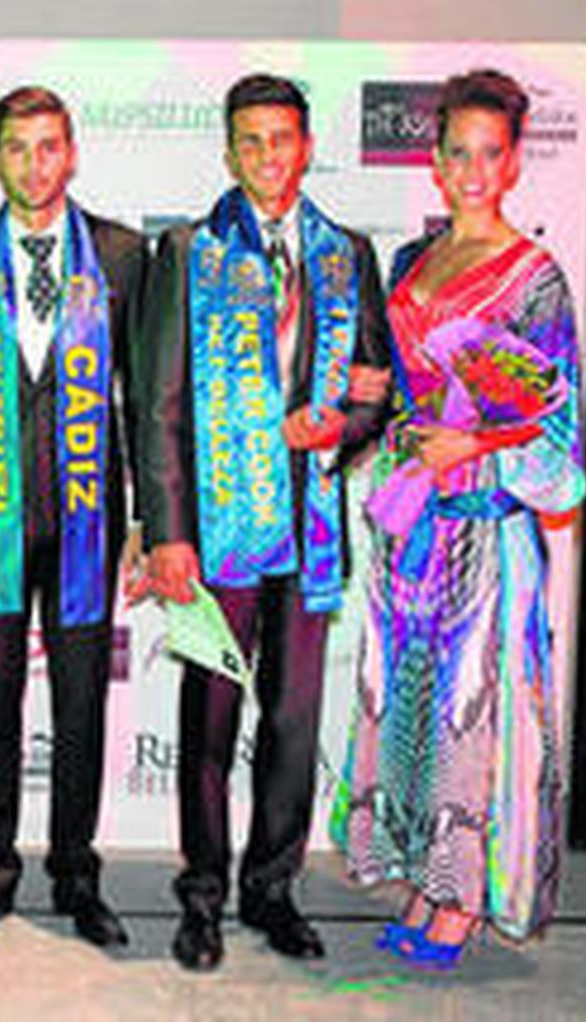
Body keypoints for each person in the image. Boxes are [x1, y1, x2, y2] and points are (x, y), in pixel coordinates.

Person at [136, 74, 393, 970]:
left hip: (314, 530)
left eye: (281, 138)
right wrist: (167, 532)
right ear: (229, 150)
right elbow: (158, 407)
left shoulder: (346, 253)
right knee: (209, 723)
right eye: (250, 141)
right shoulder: (189, 252)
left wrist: (346, 426)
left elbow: (376, 386)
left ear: (308, 144)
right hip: (217, 539)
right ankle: (201, 896)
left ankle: (272, 890)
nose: (267, 157)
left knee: (291, 724)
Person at [332, 68, 585, 970]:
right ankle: (422, 874)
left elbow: (555, 440)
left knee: (473, 712)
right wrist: (379, 408)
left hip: (487, 528)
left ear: (513, 161)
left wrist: (473, 451)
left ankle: (464, 900)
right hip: (412, 529)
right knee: (407, 703)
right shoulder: (411, 264)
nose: (473, 170)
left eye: (491, 153)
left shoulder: (535, 279)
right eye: (458, 153)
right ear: (435, 162)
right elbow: (403, 396)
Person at [0, 85, 147, 951]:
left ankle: (76, 873)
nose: (32, 164)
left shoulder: (125, 256)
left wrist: (153, 523)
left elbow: (154, 393)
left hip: (91, 519)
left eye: (48, 146)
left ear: (73, 152)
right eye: (16, 148)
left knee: (84, 704)